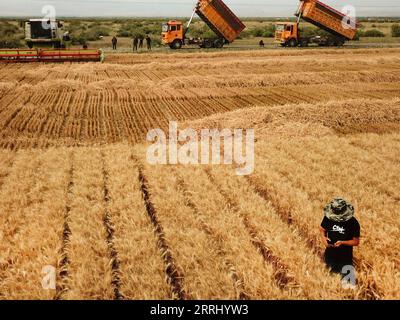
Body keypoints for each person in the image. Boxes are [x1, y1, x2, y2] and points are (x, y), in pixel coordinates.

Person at [320, 197, 360, 277]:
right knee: (328, 279)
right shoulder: (328, 217)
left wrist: (342, 242)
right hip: (330, 255)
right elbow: (322, 229)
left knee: (348, 283)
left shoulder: (353, 222)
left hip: (345, 258)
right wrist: (324, 239)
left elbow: (356, 241)